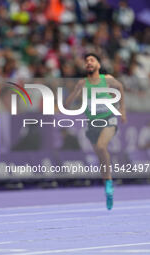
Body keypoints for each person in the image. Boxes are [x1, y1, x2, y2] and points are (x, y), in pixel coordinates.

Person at [65, 53, 127, 210]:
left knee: (101, 147)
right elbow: (67, 104)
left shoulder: (107, 79)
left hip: (108, 119)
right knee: (101, 157)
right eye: (86, 61)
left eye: (92, 60)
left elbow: (120, 88)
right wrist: (75, 91)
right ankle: (108, 183)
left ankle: (108, 183)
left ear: (98, 65)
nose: (89, 62)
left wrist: (123, 110)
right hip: (92, 124)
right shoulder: (82, 83)